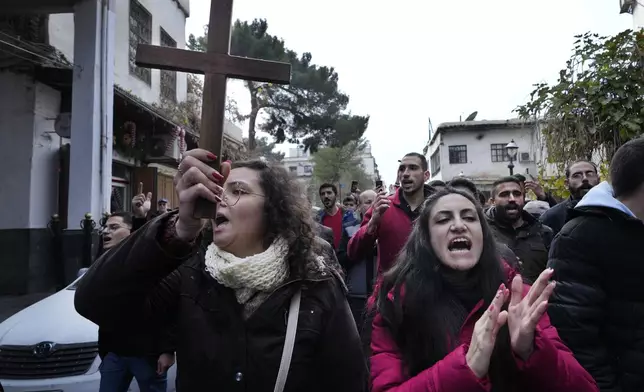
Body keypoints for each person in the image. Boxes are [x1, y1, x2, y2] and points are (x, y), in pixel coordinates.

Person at [75, 150, 367, 392]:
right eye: (217, 190)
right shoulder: (189, 275)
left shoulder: (315, 282)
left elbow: (349, 381)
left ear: (274, 211)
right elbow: (93, 302)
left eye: (238, 190)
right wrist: (179, 229)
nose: (218, 199)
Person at [370, 187, 598, 392]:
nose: (459, 225)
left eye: (470, 218)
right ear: (426, 239)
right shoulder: (395, 303)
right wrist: (464, 369)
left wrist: (532, 350)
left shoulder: (520, 299)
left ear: (483, 235)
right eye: (443, 219)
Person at [548, 138, 644, 392]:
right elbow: (576, 337)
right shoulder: (578, 236)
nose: (583, 178)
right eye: (576, 174)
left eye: (589, 173)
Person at [98, 212, 175, 392]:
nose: (105, 231)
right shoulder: (103, 263)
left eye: (114, 227)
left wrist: (167, 349)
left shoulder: (146, 263)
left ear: (132, 232)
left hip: (146, 354)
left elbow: (168, 305)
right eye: (105, 227)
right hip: (114, 352)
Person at [348, 152, 432, 283]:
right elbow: (353, 251)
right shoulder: (381, 206)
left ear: (426, 175)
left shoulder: (439, 207)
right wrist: (371, 225)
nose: (405, 173)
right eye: (402, 169)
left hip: (433, 292)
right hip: (390, 295)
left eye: (413, 168)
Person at [486, 177, 553, 284]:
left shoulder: (544, 232)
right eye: (504, 194)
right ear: (492, 201)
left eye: (517, 194)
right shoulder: (482, 233)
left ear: (524, 197)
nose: (512, 199)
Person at [539, 160, 600, 235]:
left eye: (589, 174)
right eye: (577, 175)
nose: (585, 179)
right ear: (566, 183)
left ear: (598, 179)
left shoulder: (613, 210)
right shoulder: (551, 218)